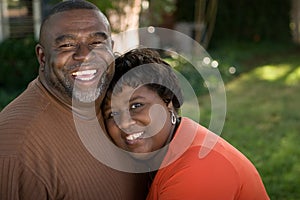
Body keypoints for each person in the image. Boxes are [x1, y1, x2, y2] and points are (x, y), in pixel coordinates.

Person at [0, 1, 150, 199]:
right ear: (42, 57)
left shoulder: (122, 104)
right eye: (67, 45)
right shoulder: (16, 146)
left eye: (97, 42)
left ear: (111, 48)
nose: (85, 55)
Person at [102, 48, 270, 199]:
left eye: (136, 105)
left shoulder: (199, 168)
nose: (123, 122)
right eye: (113, 114)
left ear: (168, 101)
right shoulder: (166, 151)